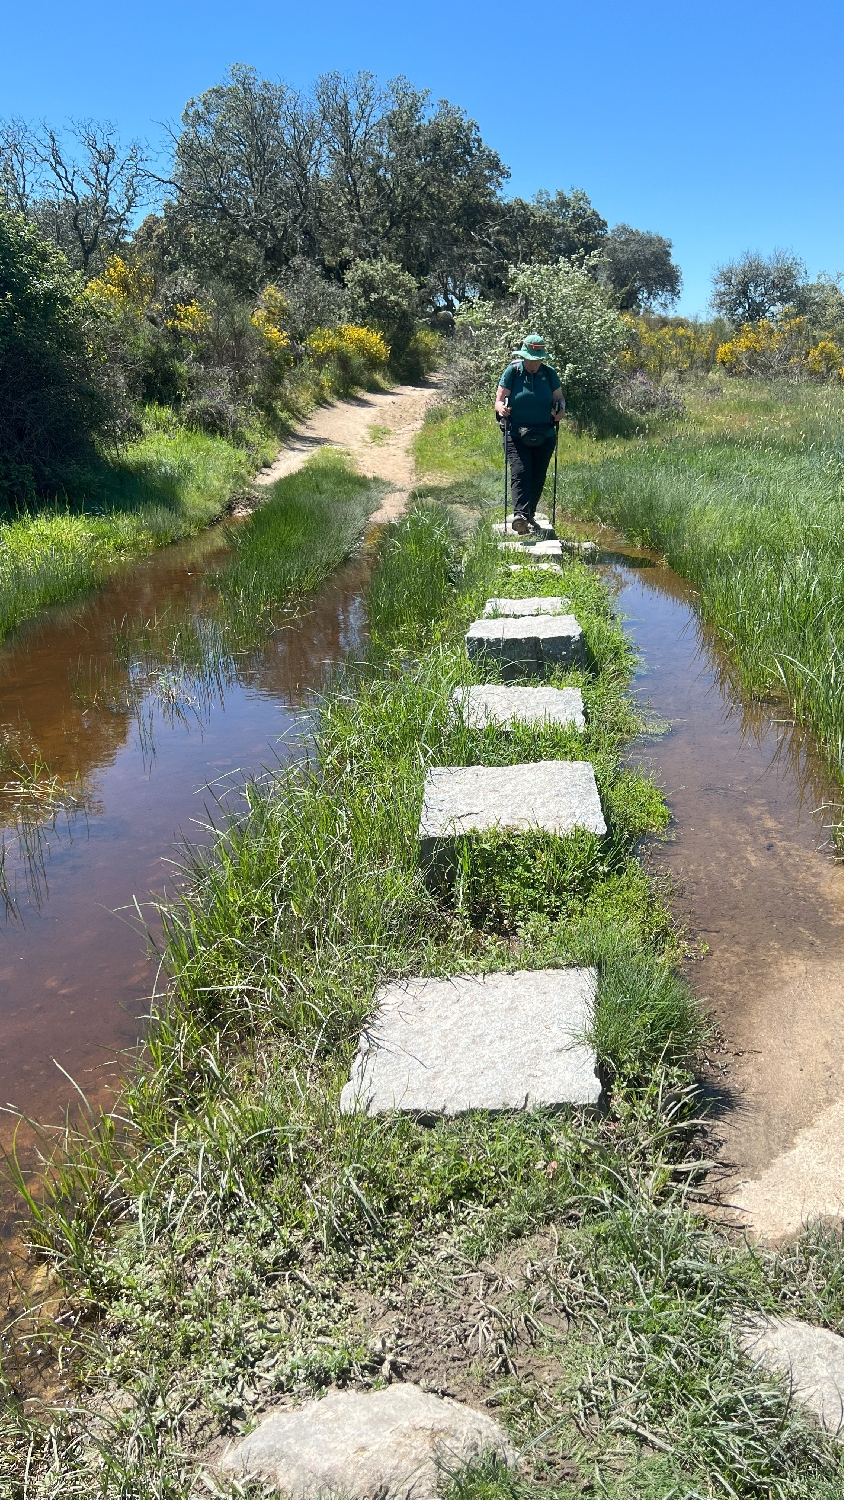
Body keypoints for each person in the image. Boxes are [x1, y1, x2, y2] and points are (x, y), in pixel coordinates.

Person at [494, 334, 565, 534]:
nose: (533, 364)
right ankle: (520, 516)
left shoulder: (549, 374)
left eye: (537, 360)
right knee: (521, 471)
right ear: (523, 357)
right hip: (515, 433)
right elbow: (499, 400)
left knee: (537, 475)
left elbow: (559, 398)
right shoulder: (513, 372)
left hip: (545, 433)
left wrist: (561, 409)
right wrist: (502, 409)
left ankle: (529, 514)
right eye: (530, 360)